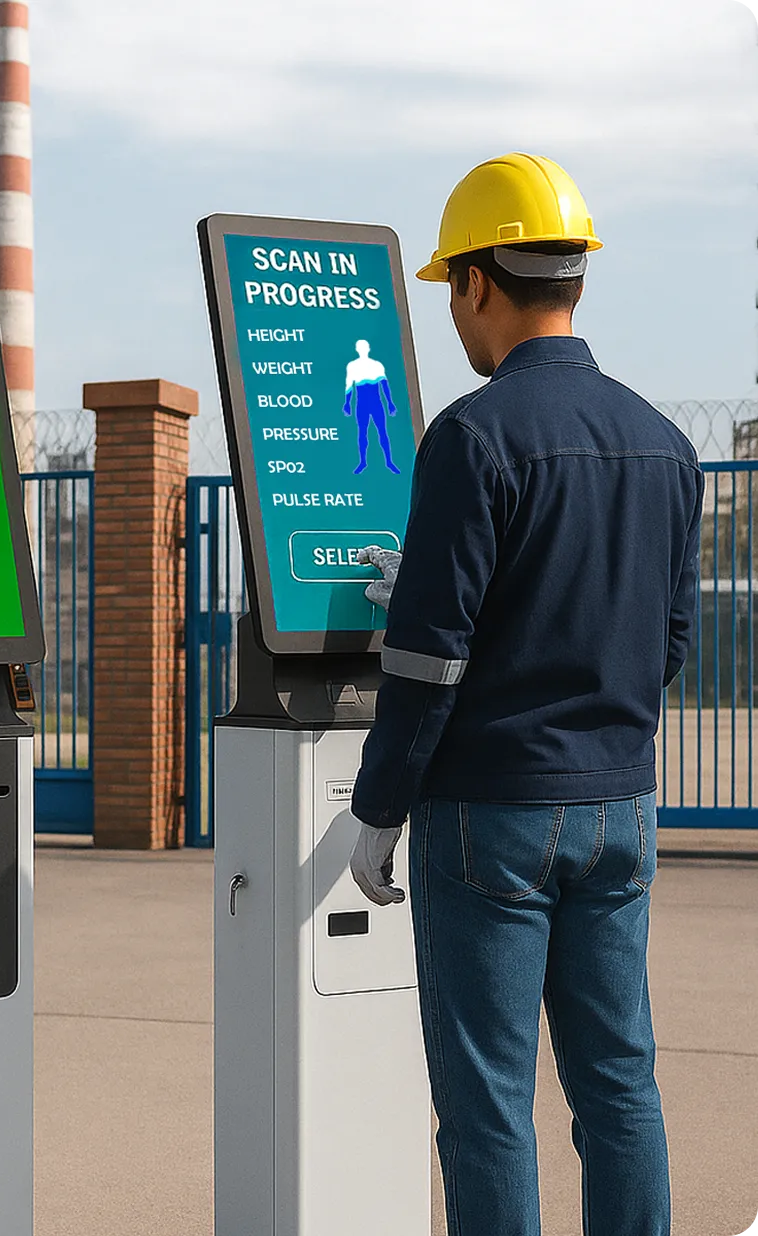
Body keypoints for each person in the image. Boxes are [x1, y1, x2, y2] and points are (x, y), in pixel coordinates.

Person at [348, 152, 702, 1236]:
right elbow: (669, 642)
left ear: (475, 283)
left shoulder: (472, 436)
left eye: (451, 289)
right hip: (620, 809)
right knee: (619, 1085)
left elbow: (429, 660)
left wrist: (379, 807)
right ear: (574, 276)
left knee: (489, 1104)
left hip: (489, 816)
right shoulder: (667, 446)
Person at [343, 339, 400, 474]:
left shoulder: (376, 365)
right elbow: (349, 386)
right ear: (358, 350)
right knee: (362, 432)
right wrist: (347, 403)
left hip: (376, 402)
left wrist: (390, 403)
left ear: (368, 349)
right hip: (362, 404)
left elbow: (384, 385)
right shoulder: (353, 366)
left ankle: (389, 461)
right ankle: (363, 462)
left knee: (382, 432)